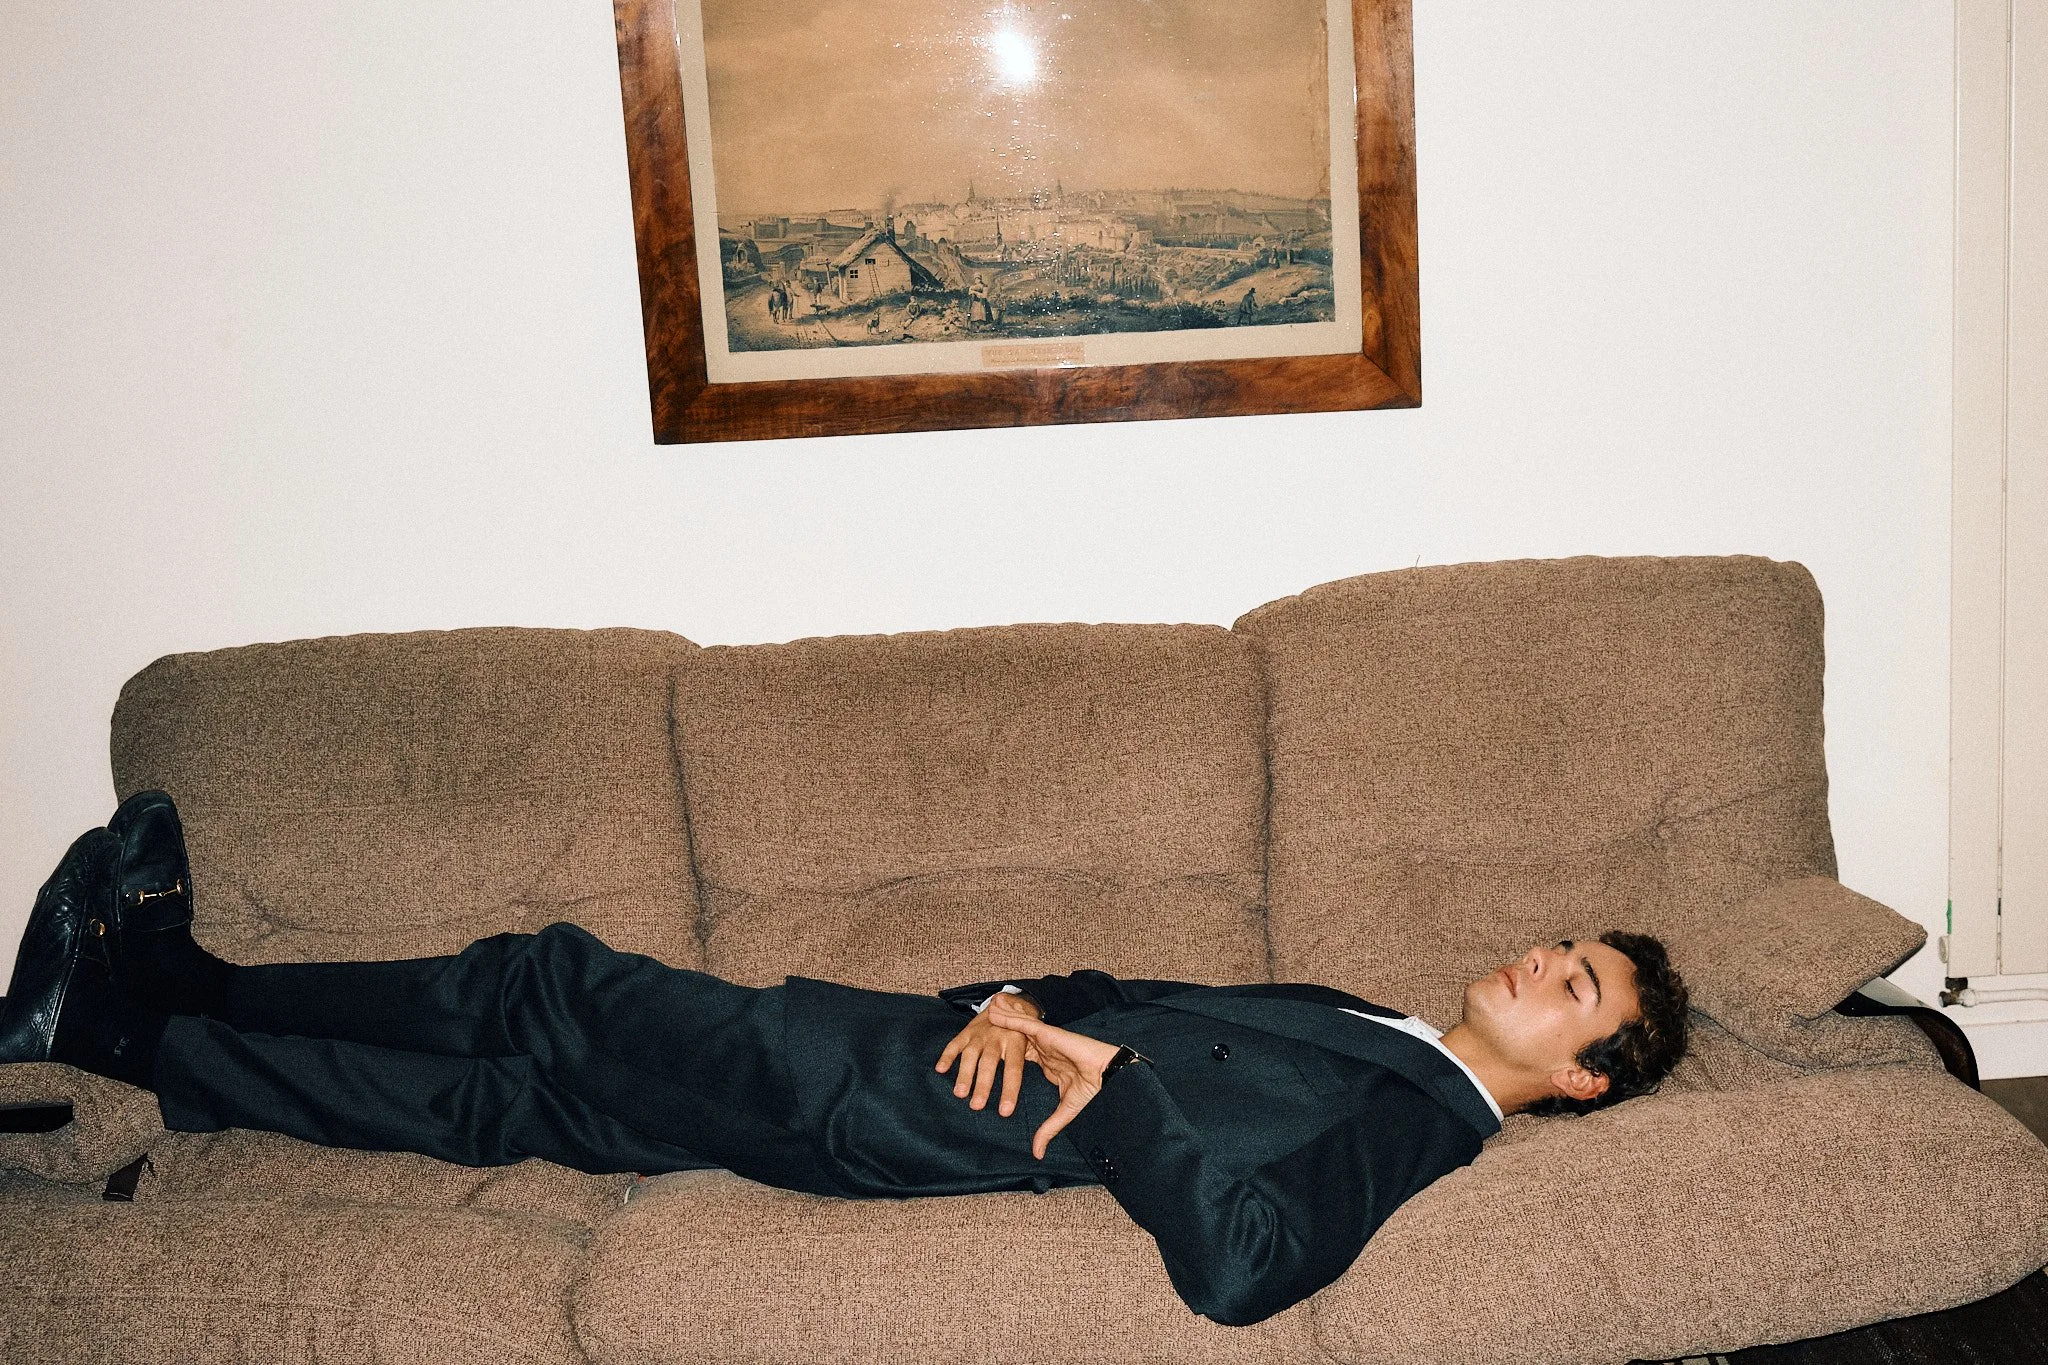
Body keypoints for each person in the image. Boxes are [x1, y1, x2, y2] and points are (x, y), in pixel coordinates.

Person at [0, 792, 1690, 1326]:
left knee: (548, 985)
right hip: (918, 1057)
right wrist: (1017, 993)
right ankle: (137, 1035)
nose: (1541, 961)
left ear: (1584, 1081)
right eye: (1563, 944)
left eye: (1576, 987)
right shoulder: (1371, 1017)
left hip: (876, 1103)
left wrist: (1113, 1091)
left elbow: (1247, 1271)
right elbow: (1130, 984)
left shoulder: (1420, 1123)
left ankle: (182, 977)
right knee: (515, 1104)